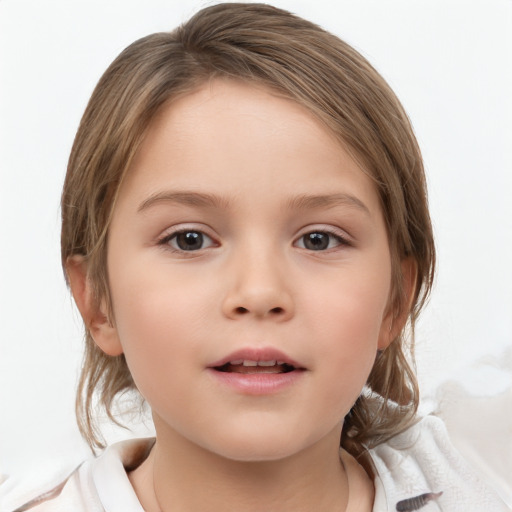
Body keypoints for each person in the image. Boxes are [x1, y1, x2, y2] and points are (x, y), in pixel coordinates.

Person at [1, 3, 507, 511]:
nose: (260, 293)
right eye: (189, 240)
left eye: (318, 240)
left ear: (396, 299)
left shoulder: (483, 478)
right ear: (97, 302)